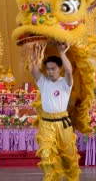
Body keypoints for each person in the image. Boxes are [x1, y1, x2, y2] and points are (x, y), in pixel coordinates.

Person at [29, 42, 80, 181]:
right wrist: (36, 55)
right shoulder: (43, 82)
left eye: (53, 69)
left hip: (63, 125)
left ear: (59, 69)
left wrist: (62, 52)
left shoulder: (65, 83)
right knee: (46, 155)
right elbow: (32, 69)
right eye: (48, 69)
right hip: (46, 125)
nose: (50, 71)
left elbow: (69, 71)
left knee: (68, 158)